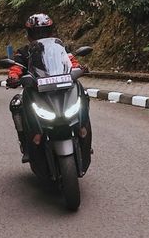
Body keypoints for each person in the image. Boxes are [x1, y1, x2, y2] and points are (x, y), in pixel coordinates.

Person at [5, 13, 90, 164]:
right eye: (36, 32)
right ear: (29, 34)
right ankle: (26, 143)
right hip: (35, 89)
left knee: (83, 93)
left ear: (50, 31)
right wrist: (13, 77)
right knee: (16, 104)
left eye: (44, 32)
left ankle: (83, 130)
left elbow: (71, 61)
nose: (40, 35)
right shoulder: (24, 51)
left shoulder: (60, 47)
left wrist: (79, 68)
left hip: (61, 86)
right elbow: (16, 67)